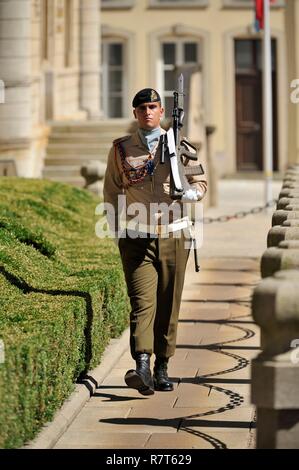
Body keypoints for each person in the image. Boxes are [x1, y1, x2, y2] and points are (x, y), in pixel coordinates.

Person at [103, 88, 207, 396]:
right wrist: (115, 228)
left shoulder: (179, 146)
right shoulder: (121, 150)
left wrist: (193, 193)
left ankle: (162, 366)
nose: (148, 112)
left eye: (153, 106)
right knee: (141, 305)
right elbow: (112, 191)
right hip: (136, 236)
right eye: (142, 108)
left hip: (174, 234)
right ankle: (143, 366)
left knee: (168, 305)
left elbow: (201, 183)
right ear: (134, 113)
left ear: (161, 112)